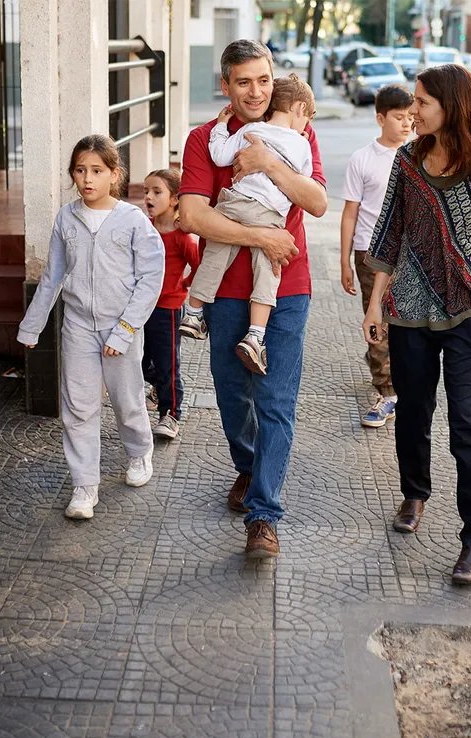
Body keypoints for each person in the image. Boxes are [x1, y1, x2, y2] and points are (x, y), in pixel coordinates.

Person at [362, 65, 471, 585]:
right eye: (412, 101)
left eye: (423, 102)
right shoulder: (408, 159)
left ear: (451, 106)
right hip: (409, 309)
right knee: (413, 408)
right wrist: (375, 302)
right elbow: (388, 231)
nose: (413, 111)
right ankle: (415, 492)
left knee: (470, 423)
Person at [179, 40, 327, 559]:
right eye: (244, 82)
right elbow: (193, 217)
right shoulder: (205, 140)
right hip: (224, 293)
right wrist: (263, 237)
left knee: (277, 402)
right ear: (226, 85)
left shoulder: (297, 133)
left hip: (287, 289)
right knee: (230, 395)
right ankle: (249, 465)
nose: (257, 91)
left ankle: (264, 516)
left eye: (263, 80)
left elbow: (317, 201)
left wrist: (270, 162)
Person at [17, 134, 165, 520]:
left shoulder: (133, 220)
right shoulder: (67, 217)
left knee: (127, 400)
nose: (88, 179)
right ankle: (84, 484)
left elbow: (150, 279)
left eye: (97, 171)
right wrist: (32, 327)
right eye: (80, 170)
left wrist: (125, 331)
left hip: (123, 328)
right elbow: (52, 276)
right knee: (77, 407)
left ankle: (138, 453)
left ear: (114, 175)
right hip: (79, 325)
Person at [180, 74, 315, 376]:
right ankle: (255, 335)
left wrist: (220, 128)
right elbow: (307, 186)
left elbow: (220, 155)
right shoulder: (303, 143)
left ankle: (192, 312)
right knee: (267, 271)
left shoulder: (253, 130)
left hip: (236, 204)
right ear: (298, 109)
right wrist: (295, 151)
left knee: (215, 254)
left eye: (263, 80)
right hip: (268, 215)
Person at [340, 84, 414, 428]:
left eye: (411, 118)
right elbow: (350, 213)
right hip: (369, 252)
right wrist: (344, 262)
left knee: (405, 324)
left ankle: (399, 378)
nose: (406, 124)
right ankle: (387, 392)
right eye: (399, 118)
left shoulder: (418, 155)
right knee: (377, 321)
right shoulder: (363, 158)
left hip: (411, 254)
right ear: (380, 118)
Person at [142, 168, 200, 439]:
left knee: (168, 364)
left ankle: (171, 414)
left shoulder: (182, 236)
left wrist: (184, 286)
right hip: (142, 306)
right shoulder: (145, 228)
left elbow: (199, 266)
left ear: (175, 199)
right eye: (146, 192)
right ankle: (159, 388)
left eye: (156, 192)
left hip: (168, 309)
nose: (148, 197)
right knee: (141, 362)